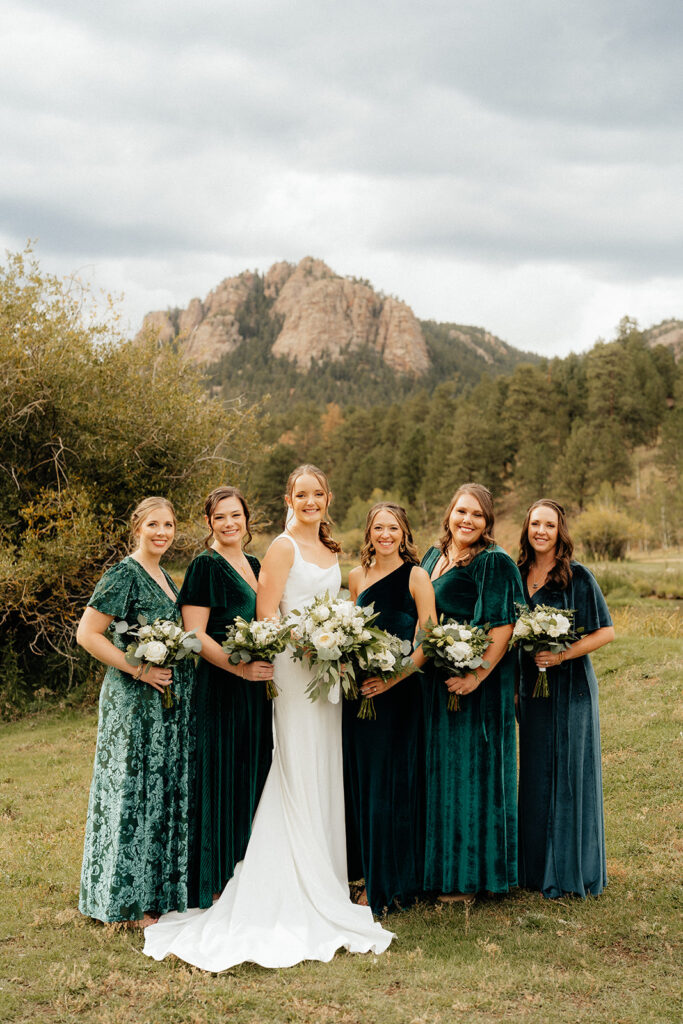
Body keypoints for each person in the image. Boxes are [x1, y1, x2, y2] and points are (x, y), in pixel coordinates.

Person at [143, 465, 393, 969]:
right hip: (296, 670)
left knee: (325, 765)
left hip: (327, 673)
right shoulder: (280, 548)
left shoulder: (331, 549)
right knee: (297, 764)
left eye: (317, 493)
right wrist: (310, 640)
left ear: (327, 497)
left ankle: (326, 872)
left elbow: (336, 603)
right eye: (300, 494)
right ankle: (294, 879)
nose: (309, 501)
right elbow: (267, 614)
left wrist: (339, 639)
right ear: (288, 498)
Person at [77, 497, 195, 926]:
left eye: (168, 524)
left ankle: (151, 894)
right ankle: (122, 904)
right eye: (153, 525)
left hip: (165, 703)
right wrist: (139, 669)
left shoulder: (164, 576)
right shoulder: (123, 574)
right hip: (134, 701)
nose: (162, 532)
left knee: (157, 791)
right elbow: (87, 634)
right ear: (137, 528)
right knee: (131, 790)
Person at [421, 483, 523, 899]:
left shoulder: (494, 562)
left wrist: (475, 676)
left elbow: (503, 626)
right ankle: (433, 870)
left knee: (468, 776)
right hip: (433, 684)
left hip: (474, 689)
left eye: (477, 515)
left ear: (487, 522)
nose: (467, 520)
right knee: (438, 776)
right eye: (461, 511)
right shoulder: (432, 556)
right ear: (449, 513)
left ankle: (467, 877)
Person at [178, 486, 274, 908]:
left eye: (236, 515)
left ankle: (248, 872)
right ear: (209, 523)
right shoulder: (204, 566)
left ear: (247, 520)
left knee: (253, 772)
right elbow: (195, 635)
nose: (230, 524)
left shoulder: (254, 563)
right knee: (223, 776)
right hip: (221, 685)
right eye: (220, 517)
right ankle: (215, 880)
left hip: (256, 690)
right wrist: (240, 668)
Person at [516, 499, 614, 898]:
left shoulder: (578, 577)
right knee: (536, 775)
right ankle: (535, 871)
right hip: (531, 692)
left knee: (570, 774)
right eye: (535, 523)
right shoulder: (517, 574)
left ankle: (573, 870)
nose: (541, 530)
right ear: (526, 529)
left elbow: (605, 632)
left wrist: (560, 655)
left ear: (560, 531)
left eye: (549, 525)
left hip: (571, 688)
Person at [343, 502, 435, 914]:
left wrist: (392, 679)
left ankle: (395, 882)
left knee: (394, 783)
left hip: (399, 695)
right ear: (369, 533)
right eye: (378, 528)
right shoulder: (356, 577)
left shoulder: (417, 576)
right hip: (361, 695)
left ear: (404, 533)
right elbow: (350, 633)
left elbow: (428, 642)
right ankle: (364, 875)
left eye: (393, 528)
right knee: (364, 784)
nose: (385, 535)